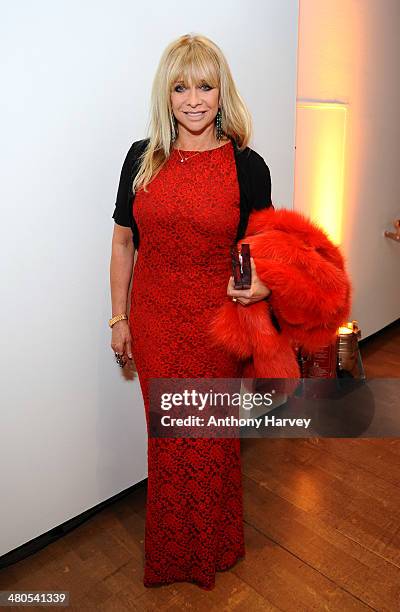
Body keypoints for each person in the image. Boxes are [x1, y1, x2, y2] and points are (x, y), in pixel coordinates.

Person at [109, 32, 275, 591]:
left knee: (210, 438)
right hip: (155, 321)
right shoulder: (142, 158)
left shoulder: (248, 165)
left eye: (205, 85)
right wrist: (119, 318)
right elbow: (123, 243)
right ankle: (176, 555)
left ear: (222, 91)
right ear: (167, 93)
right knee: (171, 441)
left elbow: (266, 246)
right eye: (181, 86)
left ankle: (216, 546)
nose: (194, 98)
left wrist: (261, 287)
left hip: (214, 325)